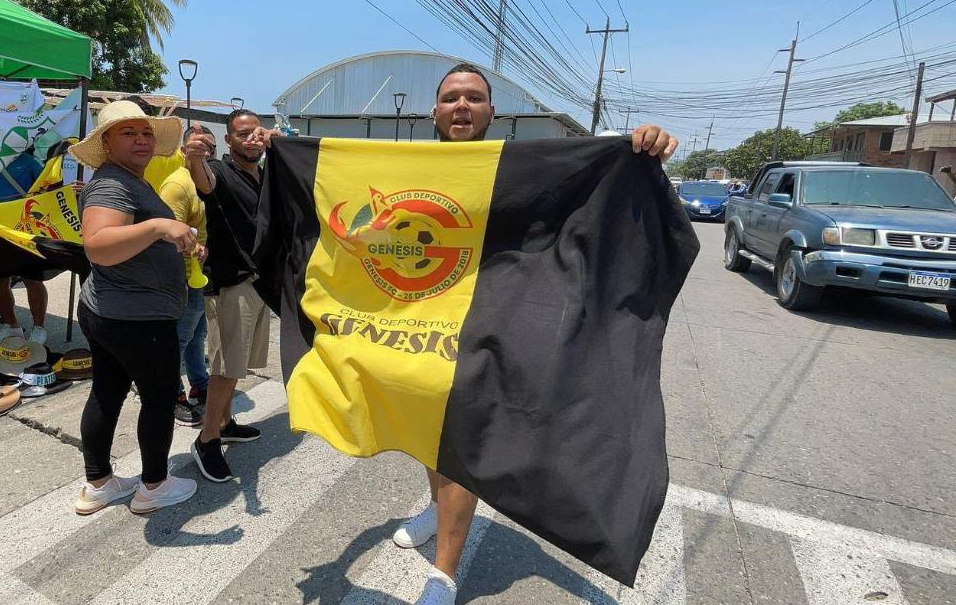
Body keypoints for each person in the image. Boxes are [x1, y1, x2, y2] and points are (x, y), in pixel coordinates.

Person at [244, 63, 679, 605]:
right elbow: (333, 185)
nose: (462, 106)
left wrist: (643, 150)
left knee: (460, 437)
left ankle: (444, 575)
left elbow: (584, 200)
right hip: (413, 332)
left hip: (482, 334)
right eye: (451, 98)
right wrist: (283, 148)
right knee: (430, 434)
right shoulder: (405, 167)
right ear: (435, 110)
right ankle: (436, 507)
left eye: (474, 98)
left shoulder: (521, 170)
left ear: (493, 112)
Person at [69, 100, 199, 515]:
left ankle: (99, 484)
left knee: (107, 395)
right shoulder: (112, 184)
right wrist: (161, 225)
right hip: (136, 318)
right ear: (106, 143)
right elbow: (98, 245)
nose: (141, 140)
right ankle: (154, 486)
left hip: (112, 310)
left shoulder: (126, 179)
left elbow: (131, 238)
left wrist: (175, 238)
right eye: (128, 133)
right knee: (159, 399)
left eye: (145, 133)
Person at [183, 110, 267, 483]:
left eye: (257, 133)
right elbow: (203, 180)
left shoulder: (265, 174)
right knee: (224, 367)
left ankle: (228, 423)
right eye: (242, 134)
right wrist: (194, 156)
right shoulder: (220, 171)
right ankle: (207, 439)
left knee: (239, 363)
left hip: (257, 282)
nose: (251, 139)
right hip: (230, 284)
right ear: (229, 141)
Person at [160, 126, 214, 426]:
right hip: (180, 277)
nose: (205, 152)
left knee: (197, 336)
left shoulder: (203, 182)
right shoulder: (178, 185)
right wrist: (195, 248)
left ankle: (200, 384)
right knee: (179, 339)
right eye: (199, 146)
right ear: (184, 150)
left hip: (198, 274)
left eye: (211, 148)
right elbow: (168, 235)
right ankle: (171, 394)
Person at [0, 147, 51, 346]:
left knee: (32, 279)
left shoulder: (28, 161)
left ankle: (38, 328)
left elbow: (49, 188)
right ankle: (11, 326)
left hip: (23, 228)